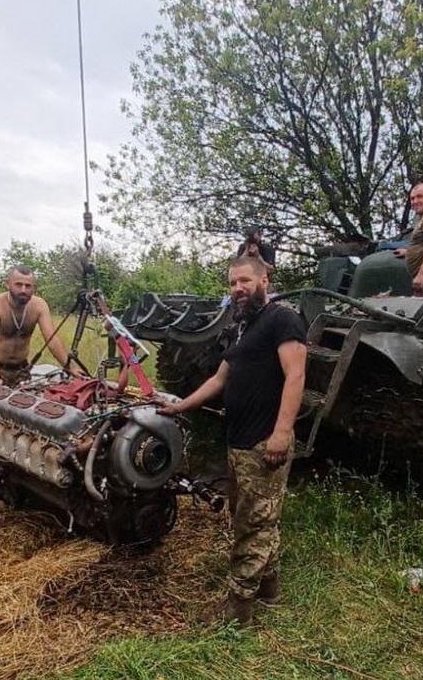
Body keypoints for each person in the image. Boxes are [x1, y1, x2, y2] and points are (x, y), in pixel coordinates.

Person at [160, 254, 306, 625]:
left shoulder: (283, 319)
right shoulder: (241, 326)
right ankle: (270, 589)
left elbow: (295, 377)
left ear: (264, 280)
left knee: (253, 525)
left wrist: (282, 433)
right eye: (232, 283)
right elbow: (219, 380)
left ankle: (238, 611)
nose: (238, 288)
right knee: (255, 519)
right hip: (239, 442)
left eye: (245, 281)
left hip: (265, 442)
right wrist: (181, 406)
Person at [0, 264, 84, 391]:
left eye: (28, 286)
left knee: (20, 406)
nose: (23, 290)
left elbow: (52, 340)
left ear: (34, 288)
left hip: (21, 367)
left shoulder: (39, 305)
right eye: (18, 284)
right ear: (7, 284)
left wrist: (69, 367)